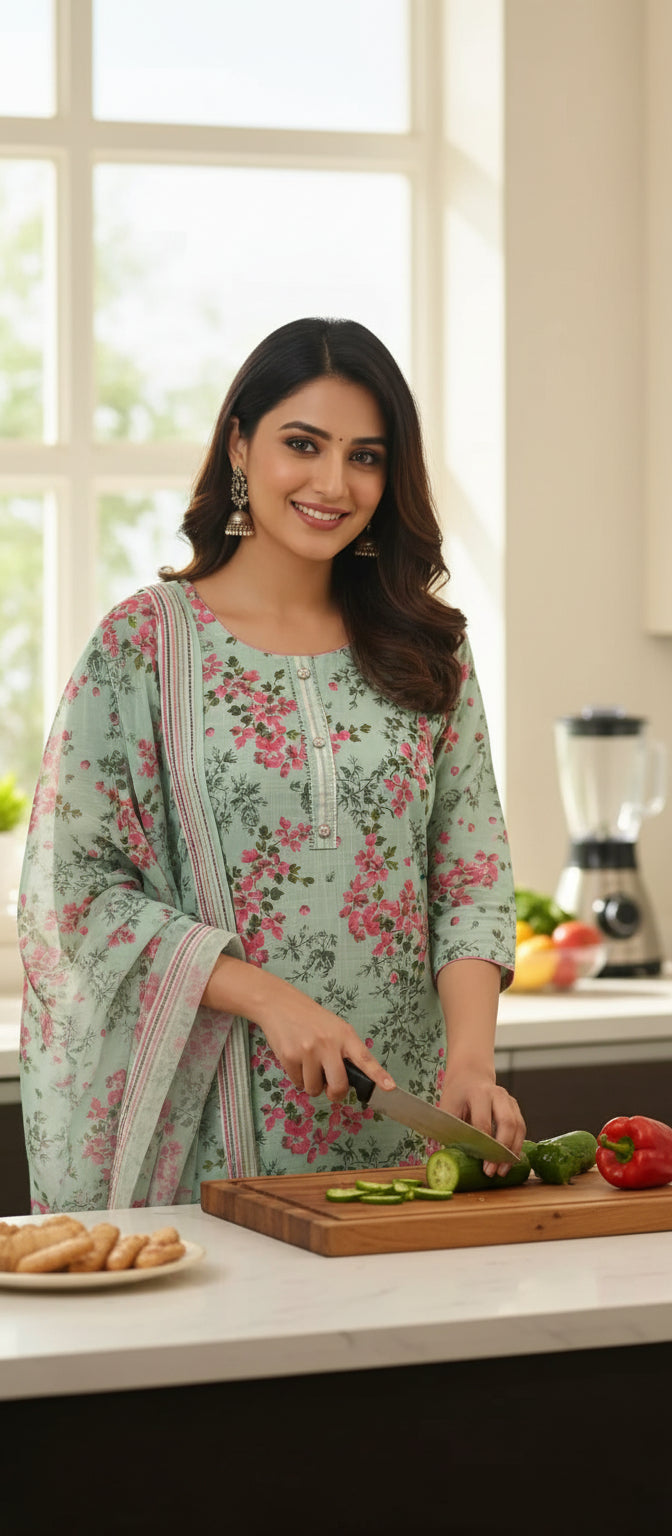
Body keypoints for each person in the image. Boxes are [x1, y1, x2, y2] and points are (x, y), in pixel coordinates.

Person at [18, 316, 525, 1213]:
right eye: (304, 444)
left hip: (403, 1126)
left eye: (365, 456)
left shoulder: (427, 650)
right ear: (240, 445)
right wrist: (267, 999)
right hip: (210, 1129)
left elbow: (469, 870)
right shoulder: (143, 646)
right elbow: (76, 890)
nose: (334, 483)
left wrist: (472, 1062)